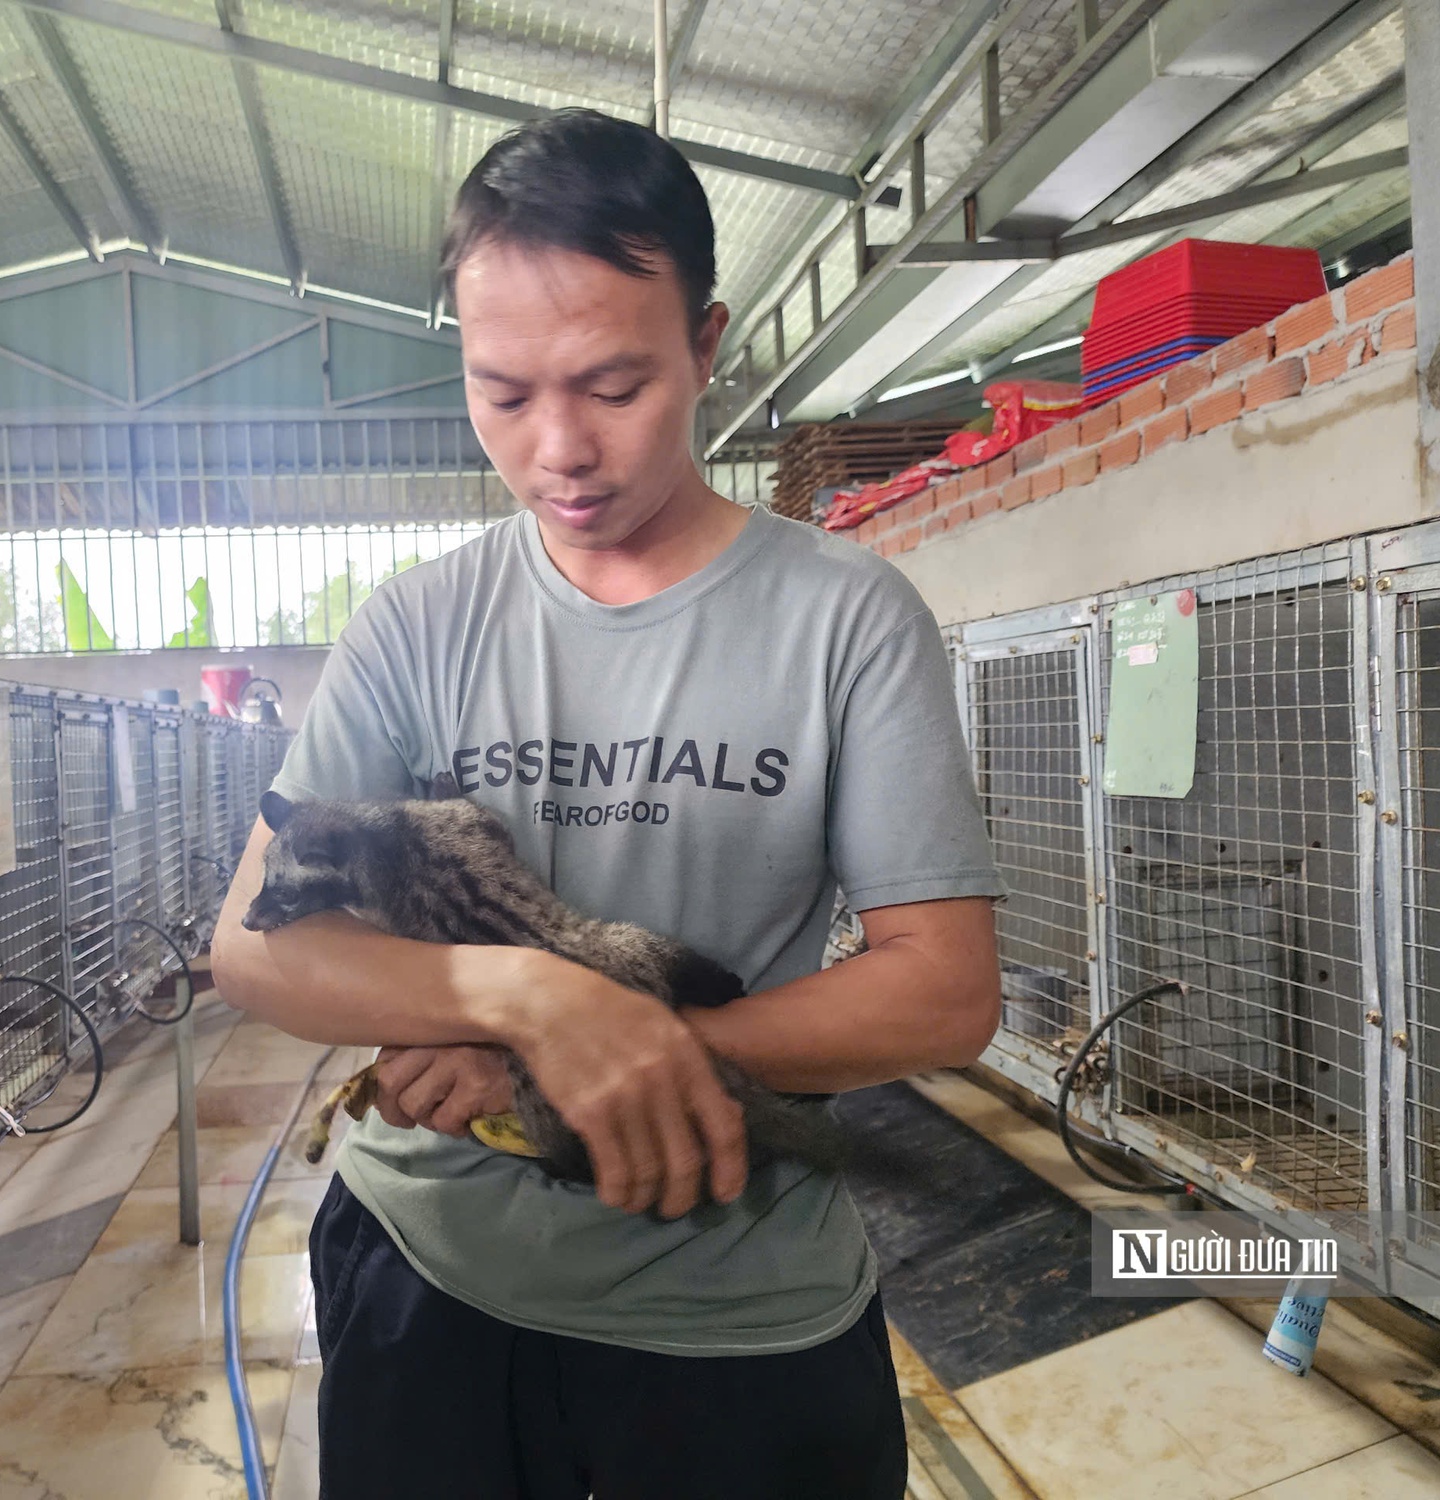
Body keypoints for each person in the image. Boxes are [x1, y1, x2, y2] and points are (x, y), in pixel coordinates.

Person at [211, 108, 1004, 1500]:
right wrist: (527, 1001)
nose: (559, 447)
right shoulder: (419, 623)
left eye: (613, 384)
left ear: (707, 344)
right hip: (427, 1280)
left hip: (736, 1314)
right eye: (503, 394)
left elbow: (942, 989)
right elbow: (259, 945)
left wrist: (612, 1044)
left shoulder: (846, 620)